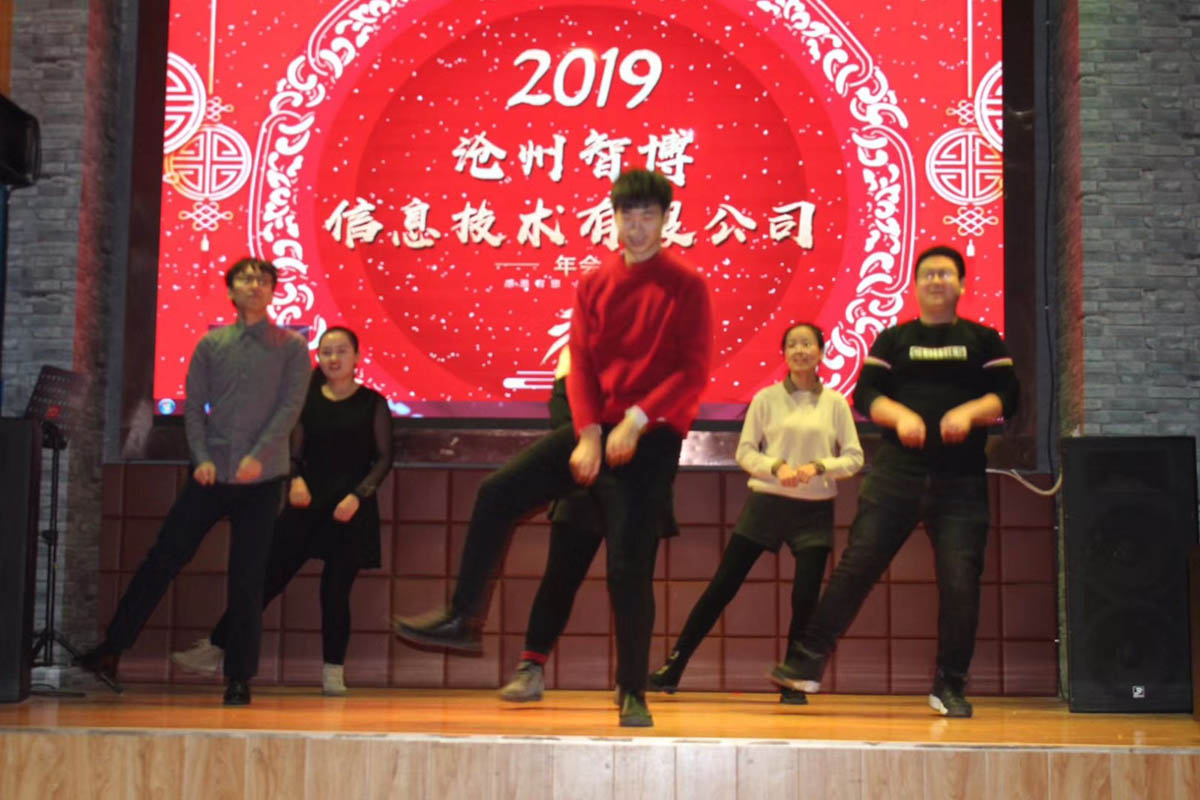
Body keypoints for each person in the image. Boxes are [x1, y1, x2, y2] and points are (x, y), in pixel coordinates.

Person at [393, 168, 713, 727]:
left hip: (651, 438)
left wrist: (635, 422)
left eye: (648, 215)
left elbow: (691, 371)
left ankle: (632, 691)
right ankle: (463, 617)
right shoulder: (594, 282)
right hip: (598, 429)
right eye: (628, 215)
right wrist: (587, 434)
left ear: (666, 219)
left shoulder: (686, 283)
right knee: (497, 492)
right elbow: (581, 365)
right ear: (614, 218)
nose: (637, 226)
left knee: (628, 567)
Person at [769, 245, 1019, 718]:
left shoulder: (984, 339)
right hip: (896, 475)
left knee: (961, 582)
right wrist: (901, 416)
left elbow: (1008, 395)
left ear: (962, 285)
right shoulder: (894, 339)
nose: (936, 280)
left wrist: (969, 412)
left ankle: (949, 684)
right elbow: (866, 394)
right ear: (915, 285)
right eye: (927, 274)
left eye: (945, 274)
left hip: (960, 480)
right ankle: (805, 662)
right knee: (857, 565)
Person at [76, 257, 311, 705]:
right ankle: (112, 648)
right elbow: (195, 407)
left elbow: (290, 409)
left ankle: (238, 677)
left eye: (263, 280)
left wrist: (257, 457)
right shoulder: (211, 344)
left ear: (273, 291)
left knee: (247, 577)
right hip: (210, 473)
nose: (255, 286)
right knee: (163, 557)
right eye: (246, 279)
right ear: (231, 291)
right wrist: (201, 458)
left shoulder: (293, 347)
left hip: (262, 479)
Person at [170, 326, 392, 697]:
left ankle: (333, 671)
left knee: (335, 592)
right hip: (306, 501)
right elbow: (292, 449)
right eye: (326, 351)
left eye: (341, 351)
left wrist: (359, 495)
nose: (333, 358)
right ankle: (217, 649)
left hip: (350, 508)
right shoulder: (305, 400)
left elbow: (384, 457)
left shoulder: (373, 403)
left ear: (357, 358)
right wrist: (296, 480)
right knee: (265, 579)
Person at [647, 322, 863, 704]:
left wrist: (819, 467)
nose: (800, 351)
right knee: (722, 587)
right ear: (784, 353)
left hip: (814, 510)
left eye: (807, 344)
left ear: (821, 352)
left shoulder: (835, 403)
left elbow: (854, 457)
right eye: (792, 344)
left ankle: (792, 683)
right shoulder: (765, 399)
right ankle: (672, 668)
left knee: (805, 598)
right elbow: (745, 452)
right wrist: (776, 467)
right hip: (767, 503)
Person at [498, 348, 679, 703]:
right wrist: (593, 447)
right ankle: (531, 667)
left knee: (634, 585)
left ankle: (630, 682)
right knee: (560, 578)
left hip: (639, 488)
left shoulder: (657, 349)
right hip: (585, 483)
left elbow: (667, 420)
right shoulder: (576, 351)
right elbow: (563, 417)